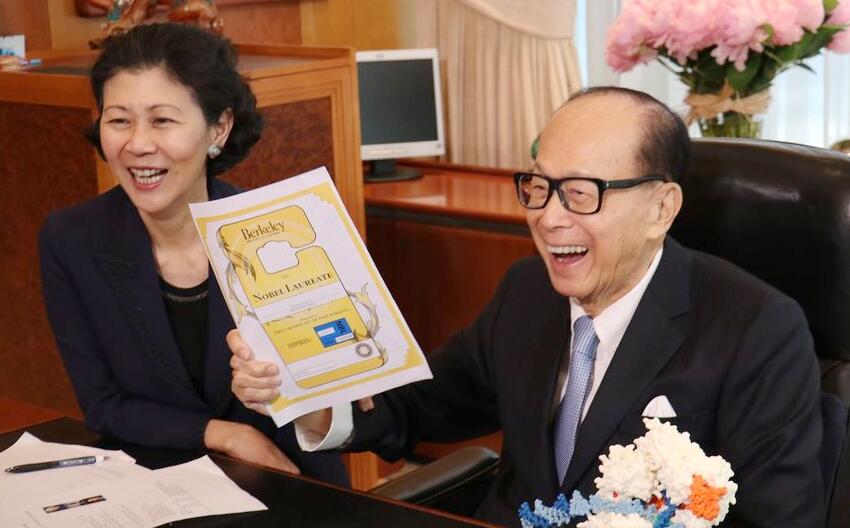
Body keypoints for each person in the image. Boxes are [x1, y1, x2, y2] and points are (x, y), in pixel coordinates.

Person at [229, 87, 824, 526]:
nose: (548, 217)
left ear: (661, 209)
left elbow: (777, 520)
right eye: (539, 186)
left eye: (581, 193)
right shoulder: (527, 291)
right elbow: (425, 404)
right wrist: (311, 391)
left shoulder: (757, 330)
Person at [38, 22, 347, 486]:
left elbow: (336, 397)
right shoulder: (70, 239)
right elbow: (102, 404)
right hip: (159, 484)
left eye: (162, 120)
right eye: (119, 120)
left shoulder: (285, 231)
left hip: (290, 482)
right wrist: (224, 434)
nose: (138, 144)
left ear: (218, 127)